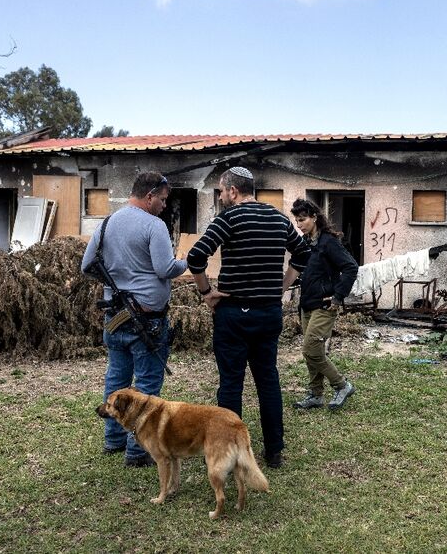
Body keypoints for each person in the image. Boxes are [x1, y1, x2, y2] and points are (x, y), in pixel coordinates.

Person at [187, 167, 310, 469]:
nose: (220, 196)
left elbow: (195, 257)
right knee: (268, 380)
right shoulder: (279, 219)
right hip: (268, 313)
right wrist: (282, 285)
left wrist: (206, 293)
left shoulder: (227, 219)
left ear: (232, 190)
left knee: (231, 383)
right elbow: (303, 253)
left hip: (233, 314)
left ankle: (229, 452)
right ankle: (274, 451)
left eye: (221, 190)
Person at [82, 171, 188, 467]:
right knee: (147, 383)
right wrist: (188, 262)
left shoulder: (107, 223)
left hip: (114, 315)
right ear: (150, 195)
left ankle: (113, 439)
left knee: (117, 376)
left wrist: (118, 278)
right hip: (146, 320)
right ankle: (138, 450)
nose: (165, 206)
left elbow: (86, 265)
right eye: (163, 200)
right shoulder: (154, 226)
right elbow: (165, 268)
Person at [289, 198, 359, 410]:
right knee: (312, 350)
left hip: (325, 304)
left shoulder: (328, 241)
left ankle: (342, 385)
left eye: (302, 220)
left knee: (311, 350)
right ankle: (315, 394)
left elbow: (350, 267)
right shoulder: (305, 243)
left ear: (314, 217)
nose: (299, 225)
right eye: (297, 221)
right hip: (307, 303)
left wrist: (338, 296)